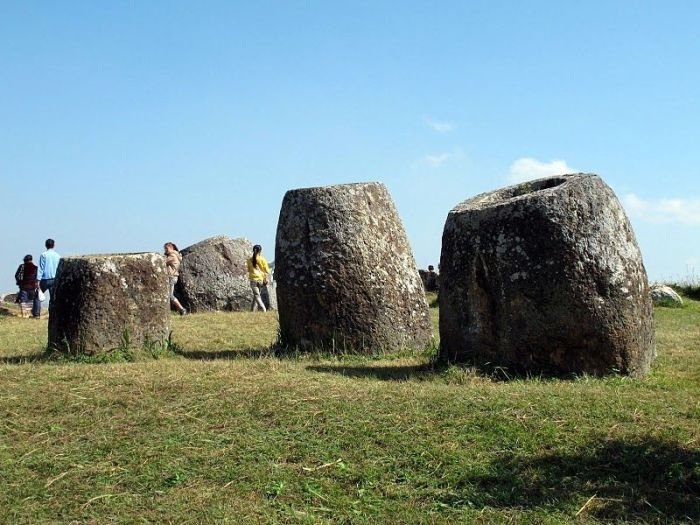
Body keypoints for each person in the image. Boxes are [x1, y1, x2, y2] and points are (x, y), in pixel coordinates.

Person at [35, 238, 60, 317]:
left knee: (37, 296)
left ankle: (36, 314)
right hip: (54, 279)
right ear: (54, 245)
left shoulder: (43, 255)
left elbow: (41, 268)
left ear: (46, 245)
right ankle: (53, 314)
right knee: (53, 298)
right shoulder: (58, 256)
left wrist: (37, 280)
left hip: (45, 279)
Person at [164, 242, 187, 315]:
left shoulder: (172, 256)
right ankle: (178, 310)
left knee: (170, 295)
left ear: (171, 248)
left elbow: (162, 262)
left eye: (166, 249)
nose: (165, 251)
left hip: (171, 277)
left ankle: (182, 309)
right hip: (174, 277)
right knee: (170, 295)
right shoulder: (176, 255)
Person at [246, 244, 271, 312]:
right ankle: (252, 311)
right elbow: (267, 270)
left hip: (253, 279)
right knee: (256, 295)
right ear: (260, 251)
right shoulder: (263, 259)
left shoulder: (249, 260)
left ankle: (263, 309)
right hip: (261, 279)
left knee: (257, 295)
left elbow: (249, 270)